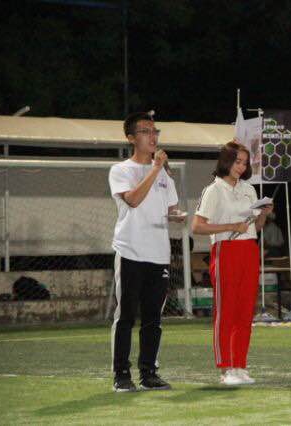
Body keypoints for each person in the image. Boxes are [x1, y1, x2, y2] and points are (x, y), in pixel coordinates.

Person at [108, 111, 184, 392]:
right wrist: (155, 168)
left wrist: (176, 216)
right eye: (145, 131)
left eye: (155, 131)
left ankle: (149, 373)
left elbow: (170, 208)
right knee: (126, 315)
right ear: (131, 138)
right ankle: (121, 374)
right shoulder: (121, 170)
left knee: (153, 317)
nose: (153, 136)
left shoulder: (164, 173)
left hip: (159, 254)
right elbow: (134, 200)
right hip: (130, 251)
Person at [191, 141, 272, 386]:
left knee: (245, 311)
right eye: (237, 162)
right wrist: (230, 226)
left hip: (249, 250)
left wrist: (264, 214)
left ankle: (240, 365)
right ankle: (225, 368)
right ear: (226, 161)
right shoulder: (213, 190)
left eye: (245, 163)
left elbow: (256, 227)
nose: (241, 167)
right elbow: (197, 226)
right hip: (225, 249)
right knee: (225, 311)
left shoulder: (249, 189)